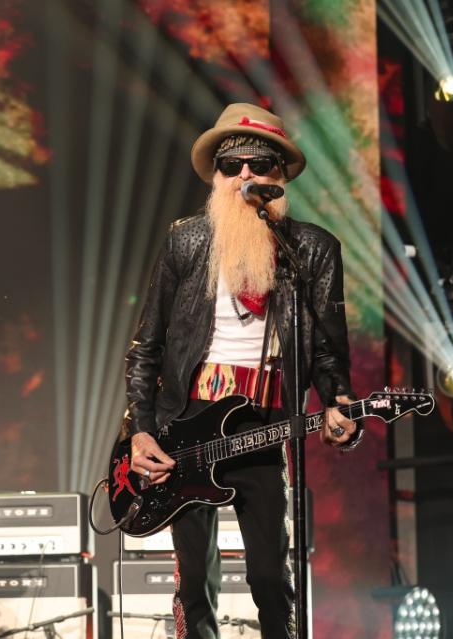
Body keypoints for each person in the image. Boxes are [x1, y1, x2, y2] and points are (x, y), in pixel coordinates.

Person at [122, 103, 364, 638]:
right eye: (231, 167)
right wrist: (140, 429)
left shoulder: (312, 251)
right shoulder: (186, 240)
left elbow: (328, 352)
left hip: (260, 422)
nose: (245, 176)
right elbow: (147, 345)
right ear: (216, 177)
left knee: (269, 577)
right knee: (194, 582)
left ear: (279, 177)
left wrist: (340, 403)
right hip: (183, 423)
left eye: (258, 164)